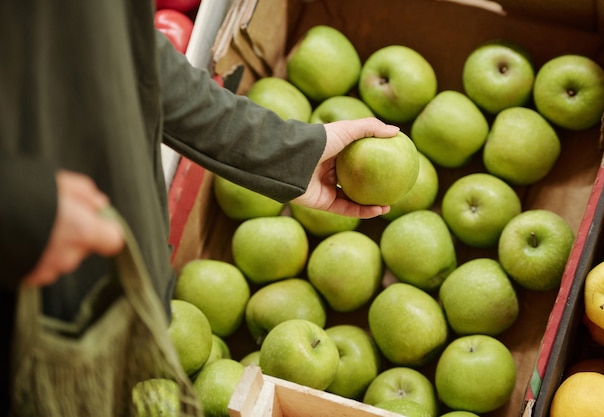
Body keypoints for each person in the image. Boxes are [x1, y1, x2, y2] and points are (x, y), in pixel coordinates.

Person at [0, 1, 398, 413]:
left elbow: (121, 46)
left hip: (108, 297)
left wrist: (287, 153)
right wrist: (26, 208)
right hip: (33, 314)